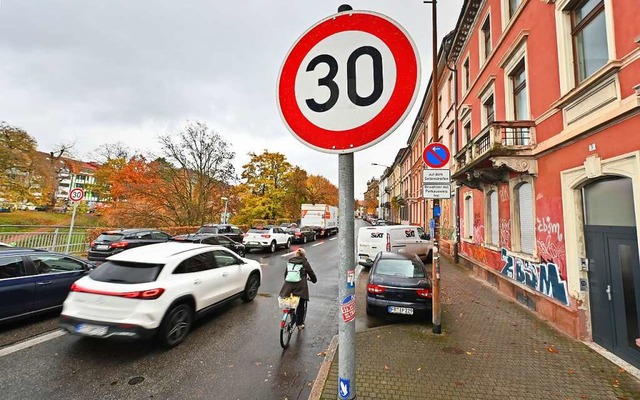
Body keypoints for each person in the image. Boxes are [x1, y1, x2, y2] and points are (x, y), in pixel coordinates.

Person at [279, 248, 317, 330]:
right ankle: (299, 324)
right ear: (304, 255)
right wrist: (314, 280)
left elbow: (286, 274)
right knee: (301, 304)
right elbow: (311, 272)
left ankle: (292, 317)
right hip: (300, 287)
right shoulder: (304, 262)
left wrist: (288, 282)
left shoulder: (290, 261)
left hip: (288, 286)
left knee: (290, 304)